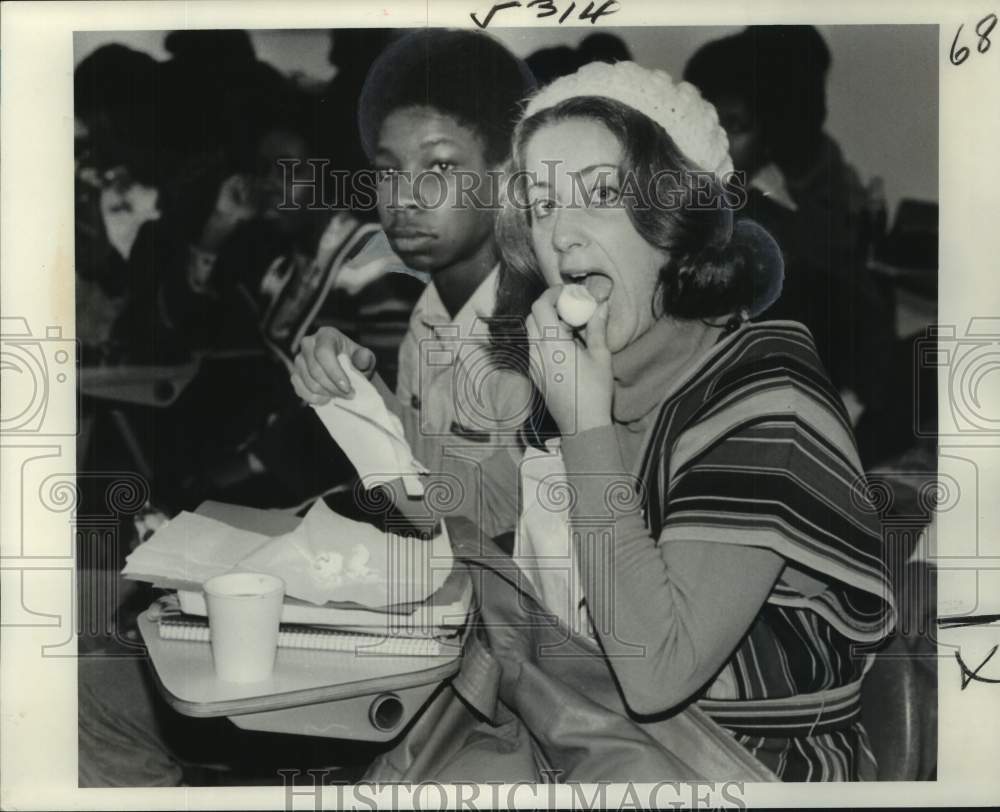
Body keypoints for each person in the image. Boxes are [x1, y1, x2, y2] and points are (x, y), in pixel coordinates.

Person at [359, 61, 895, 783]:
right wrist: (360, 407)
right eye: (543, 205)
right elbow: (459, 516)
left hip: (732, 766)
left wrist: (586, 425)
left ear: (677, 222)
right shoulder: (576, 375)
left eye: (602, 195)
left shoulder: (768, 399)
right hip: (582, 728)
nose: (565, 237)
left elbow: (655, 673)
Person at [291, 29, 537, 539]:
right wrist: (355, 387)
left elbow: (496, 525)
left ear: (505, 175)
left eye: (440, 166)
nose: (403, 197)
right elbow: (430, 498)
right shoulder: (429, 311)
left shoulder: (531, 326)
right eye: (387, 170)